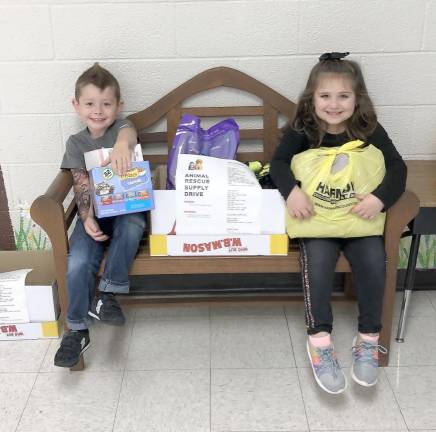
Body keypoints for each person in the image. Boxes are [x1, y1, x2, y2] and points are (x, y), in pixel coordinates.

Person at [270, 52, 407, 394]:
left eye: (343, 96)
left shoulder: (368, 130)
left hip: (360, 221)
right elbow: (279, 164)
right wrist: (293, 192)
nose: (334, 105)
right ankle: (319, 342)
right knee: (316, 265)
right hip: (317, 222)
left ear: (357, 99)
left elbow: (397, 169)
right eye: (325, 96)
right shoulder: (304, 130)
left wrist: (379, 199)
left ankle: (368, 340)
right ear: (311, 99)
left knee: (376, 262)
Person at [54, 63, 145, 368]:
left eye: (106, 104)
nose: (98, 111)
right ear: (76, 105)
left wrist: (122, 145)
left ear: (118, 106)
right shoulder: (76, 143)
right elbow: (80, 184)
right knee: (78, 261)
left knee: (133, 224)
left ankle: (107, 293)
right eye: (90, 103)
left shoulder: (122, 128)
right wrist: (87, 216)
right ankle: (77, 329)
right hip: (94, 214)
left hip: (124, 211)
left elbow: (128, 132)